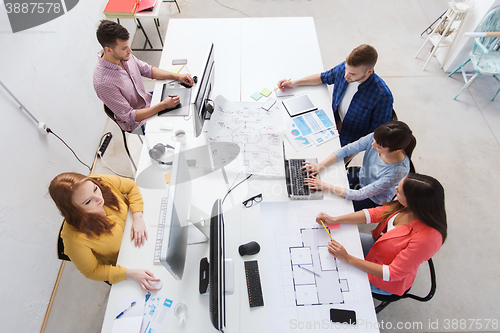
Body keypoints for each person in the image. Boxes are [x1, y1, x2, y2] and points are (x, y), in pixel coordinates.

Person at [316, 173, 447, 296]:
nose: (395, 188)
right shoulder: (406, 206)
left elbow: (392, 273)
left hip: (385, 280)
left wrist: (348, 258)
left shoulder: (428, 239)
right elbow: (374, 214)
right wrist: (335, 219)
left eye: (399, 191)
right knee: (330, 242)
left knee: (332, 282)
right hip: (379, 247)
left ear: (413, 202)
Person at [49, 173, 160, 291]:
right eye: (88, 202)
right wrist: (130, 274)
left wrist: (137, 216)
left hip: (147, 232)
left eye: (95, 189)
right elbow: (92, 271)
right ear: (73, 210)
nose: (98, 198)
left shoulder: (100, 181)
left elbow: (131, 186)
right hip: (130, 262)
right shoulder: (73, 239)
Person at [278, 44, 393, 146]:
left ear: (369, 71)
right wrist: (294, 83)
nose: (346, 76)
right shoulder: (345, 69)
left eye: (352, 74)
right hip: (333, 121)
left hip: (352, 138)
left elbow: (376, 134)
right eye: (346, 69)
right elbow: (323, 77)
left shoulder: (382, 96)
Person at [93, 20, 194, 133]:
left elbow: (147, 70)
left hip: (148, 100)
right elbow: (130, 117)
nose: (129, 51)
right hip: (138, 122)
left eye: (128, 46)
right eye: (124, 48)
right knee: (180, 128)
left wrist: (176, 76)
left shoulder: (123, 56)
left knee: (189, 103)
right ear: (108, 50)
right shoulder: (103, 83)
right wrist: (163, 106)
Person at [303, 121, 415, 211]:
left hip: (372, 198)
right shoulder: (379, 138)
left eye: (378, 146)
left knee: (333, 208)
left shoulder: (397, 172)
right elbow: (348, 149)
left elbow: (360, 194)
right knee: (324, 193)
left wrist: (324, 185)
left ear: (396, 150)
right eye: (374, 140)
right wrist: (320, 165)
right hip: (362, 175)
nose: (372, 144)